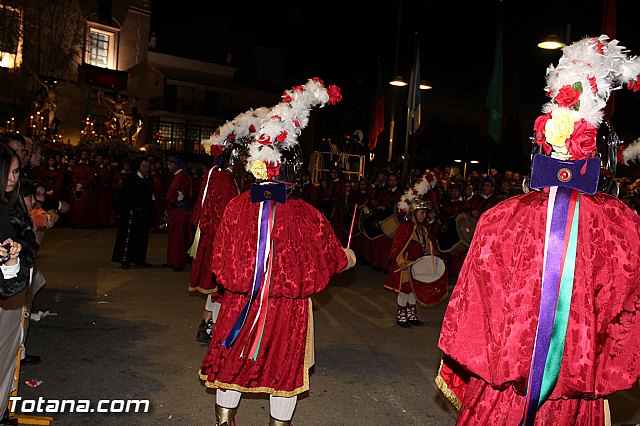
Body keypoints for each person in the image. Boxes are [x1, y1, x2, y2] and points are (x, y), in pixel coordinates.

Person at [437, 35, 640, 425]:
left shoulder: (500, 217)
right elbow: (626, 317)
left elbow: (471, 310)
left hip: (500, 391)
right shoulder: (623, 226)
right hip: (575, 399)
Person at [199, 77, 352, 426]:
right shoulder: (305, 214)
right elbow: (330, 260)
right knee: (282, 376)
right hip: (288, 312)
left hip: (240, 305)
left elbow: (219, 261)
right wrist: (349, 256)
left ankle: (224, 423)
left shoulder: (236, 207)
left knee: (232, 364)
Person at [0, 142, 38, 420]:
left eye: (16, 172)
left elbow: (10, 285)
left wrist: (15, 258)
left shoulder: (6, 204)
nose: (14, 179)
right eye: (9, 173)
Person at [190, 159, 239, 343]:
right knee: (220, 288)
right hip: (221, 240)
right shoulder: (224, 179)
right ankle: (217, 330)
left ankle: (207, 323)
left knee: (215, 287)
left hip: (218, 239)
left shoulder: (222, 176)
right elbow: (222, 214)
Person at [111, 159, 154, 269]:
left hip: (143, 212)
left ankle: (139, 259)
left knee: (141, 237)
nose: (146, 169)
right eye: (144, 166)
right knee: (128, 238)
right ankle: (126, 260)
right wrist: (120, 209)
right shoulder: (130, 178)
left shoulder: (149, 179)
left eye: (148, 167)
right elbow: (122, 194)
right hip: (130, 212)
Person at [164, 155, 193, 271]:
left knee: (179, 238)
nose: (168, 166)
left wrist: (171, 200)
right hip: (175, 211)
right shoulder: (176, 176)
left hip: (181, 212)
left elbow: (182, 195)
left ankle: (178, 262)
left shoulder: (183, 177)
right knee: (173, 237)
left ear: (176, 165)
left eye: (170, 164)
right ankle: (173, 260)